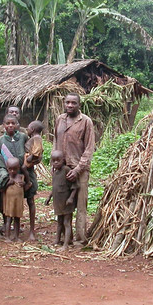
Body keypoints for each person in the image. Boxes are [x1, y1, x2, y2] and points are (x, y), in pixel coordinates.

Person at [53, 93, 95, 245]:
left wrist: (77, 170)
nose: (70, 105)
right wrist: (55, 164)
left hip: (80, 169)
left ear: (79, 105)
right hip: (62, 169)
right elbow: (55, 142)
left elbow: (89, 148)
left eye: (73, 103)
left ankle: (80, 238)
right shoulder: (60, 119)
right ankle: (66, 238)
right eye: (67, 102)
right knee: (64, 203)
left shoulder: (85, 122)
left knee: (80, 204)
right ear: (64, 103)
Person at [46, 150, 78, 251]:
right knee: (59, 222)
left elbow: (75, 186)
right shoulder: (55, 173)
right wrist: (49, 197)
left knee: (67, 223)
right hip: (58, 202)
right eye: (53, 161)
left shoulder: (66, 170)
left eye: (58, 160)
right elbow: (54, 187)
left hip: (66, 202)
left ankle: (66, 244)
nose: (55, 163)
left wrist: (71, 198)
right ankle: (57, 239)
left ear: (63, 160)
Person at [23, 120, 44, 241]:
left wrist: (30, 159)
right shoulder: (28, 137)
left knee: (30, 200)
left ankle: (32, 230)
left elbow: (36, 152)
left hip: (29, 168)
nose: (27, 128)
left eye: (29, 127)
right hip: (26, 167)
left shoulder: (36, 139)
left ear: (33, 129)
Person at [2, 157, 28, 242]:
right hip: (9, 202)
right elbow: (1, 189)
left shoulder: (21, 177)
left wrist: (24, 184)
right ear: (7, 168)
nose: (12, 171)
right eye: (10, 169)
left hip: (18, 202)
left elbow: (26, 187)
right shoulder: (6, 178)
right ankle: (7, 236)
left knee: (17, 219)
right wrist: (8, 184)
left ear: (18, 168)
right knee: (9, 219)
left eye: (15, 169)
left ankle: (16, 236)